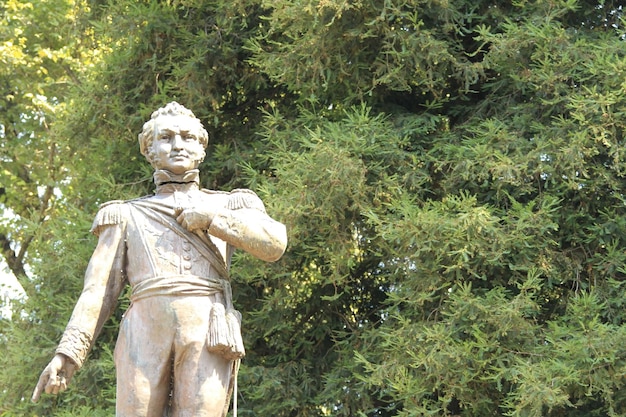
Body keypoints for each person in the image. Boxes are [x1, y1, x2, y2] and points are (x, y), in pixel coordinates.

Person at [31, 102, 287, 417]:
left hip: (206, 332)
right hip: (143, 334)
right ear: (149, 149)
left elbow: (274, 244)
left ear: (201, 148)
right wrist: (67, 354)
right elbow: (98, 291)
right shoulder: (124, 214)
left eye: (188, 137)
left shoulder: (229, 204)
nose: (178, 145)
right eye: (166, 137)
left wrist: (212, 219)